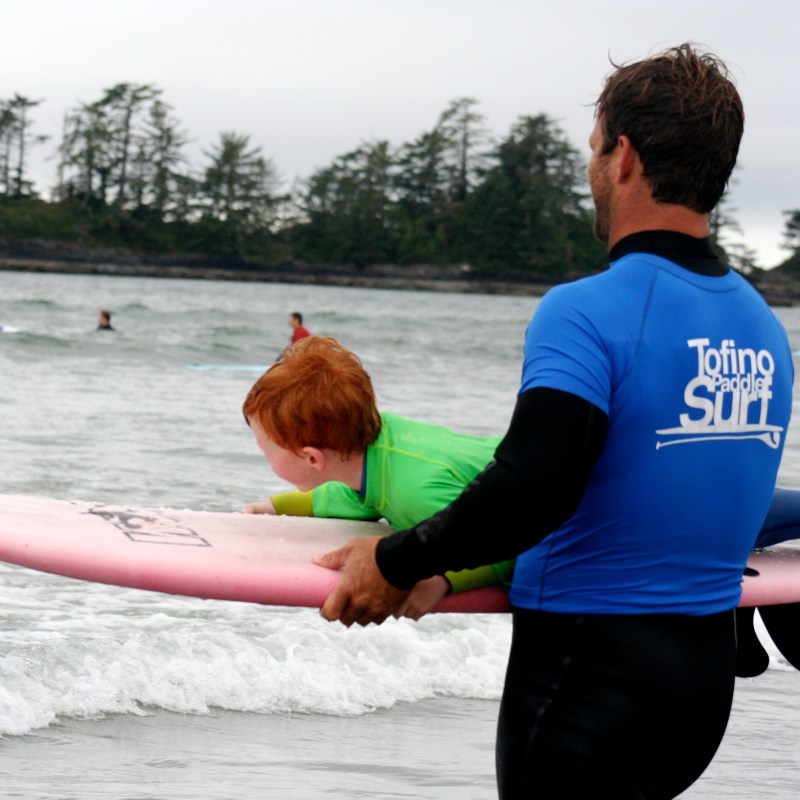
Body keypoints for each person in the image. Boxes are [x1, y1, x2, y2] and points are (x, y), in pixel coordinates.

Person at [313, 44, 795, 798]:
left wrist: (395, 561)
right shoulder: (761, 327)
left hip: (588, 688)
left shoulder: (587, 311)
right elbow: (686, 499)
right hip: (698, 693)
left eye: (595, 147)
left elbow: (534, 487)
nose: (592, 168)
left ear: (623, 156)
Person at [241, 335, 513, 618]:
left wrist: (443, 580)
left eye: (266, 451)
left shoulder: (414, 492)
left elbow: (508, 541)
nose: (264, 456)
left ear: (312, 459)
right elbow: (352, 497)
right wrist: (274, 507)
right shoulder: (372, 455)